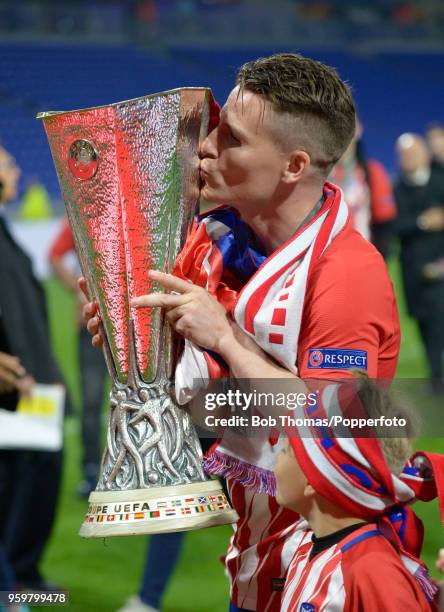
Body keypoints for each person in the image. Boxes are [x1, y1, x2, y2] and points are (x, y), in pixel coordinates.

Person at [84, 53, 400, 611]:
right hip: (260, 555)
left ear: (293, 166)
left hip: (328, 568)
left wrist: (224, 338)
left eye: (230, 138)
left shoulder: (348, 273)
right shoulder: (224, 249)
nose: (205, 148)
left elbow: (332, 427)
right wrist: (141, 346)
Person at [274, 373, 442, 610]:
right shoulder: (304, 546)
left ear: (316, 477)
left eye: (285, 449)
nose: (276, 458)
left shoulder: (373, 571)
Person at [0, 144, 64, 592]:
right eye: (8, 163)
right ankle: (14, 580)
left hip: (34, 385)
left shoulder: (6, 230)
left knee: (39, 476)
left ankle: (21, 575)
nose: (18, 170)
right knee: (23, 480)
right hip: (15, 387)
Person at [49, 218, 108, 496]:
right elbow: (55, 255)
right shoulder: (79, 214)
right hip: (94, 324)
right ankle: (92, 471)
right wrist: (78, 290)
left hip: (129, 324)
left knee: (133, 398)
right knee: (93, 401)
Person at [394, 133, 444, 394]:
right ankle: (436, 380)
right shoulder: (397, 188)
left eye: (412, 153)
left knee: (439, 322)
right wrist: (423, 222)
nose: (408, 159)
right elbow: (395, 226)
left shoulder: (439, 181)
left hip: (441, 266)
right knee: (425, 324)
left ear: (424, 154)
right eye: (403, 155)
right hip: (413, 271)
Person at [330, 118, 396, 258]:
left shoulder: (372, 172)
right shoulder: (319, 175)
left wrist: (378, 259)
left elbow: (384, 222)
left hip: (364, 258)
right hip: (328, 260)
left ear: (358, 130)